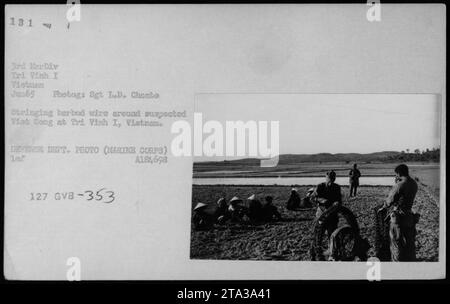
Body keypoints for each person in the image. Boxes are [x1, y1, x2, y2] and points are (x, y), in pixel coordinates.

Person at [378, 164, 419, 261]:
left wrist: (383, 207)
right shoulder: (414, 183)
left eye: (396, 174)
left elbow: (390, 200)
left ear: (399, 173)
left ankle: (397, 264)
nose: (396, 176)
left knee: (396, 242)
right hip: (409, 216)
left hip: (398, 217)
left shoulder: (400, 185)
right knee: (410, 242)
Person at [314, 171, 342, 238]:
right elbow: (313, 198)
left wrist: (337, 202)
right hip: (322, 212)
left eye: (333, 178)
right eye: (329, 178)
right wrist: (322, 200)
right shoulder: (320, 187)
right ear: (326, 178)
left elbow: (339, 199)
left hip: (333, 213)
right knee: (319, 232)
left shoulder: (337, 187)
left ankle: (332, 246)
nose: (331, 180)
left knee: (332, 232)